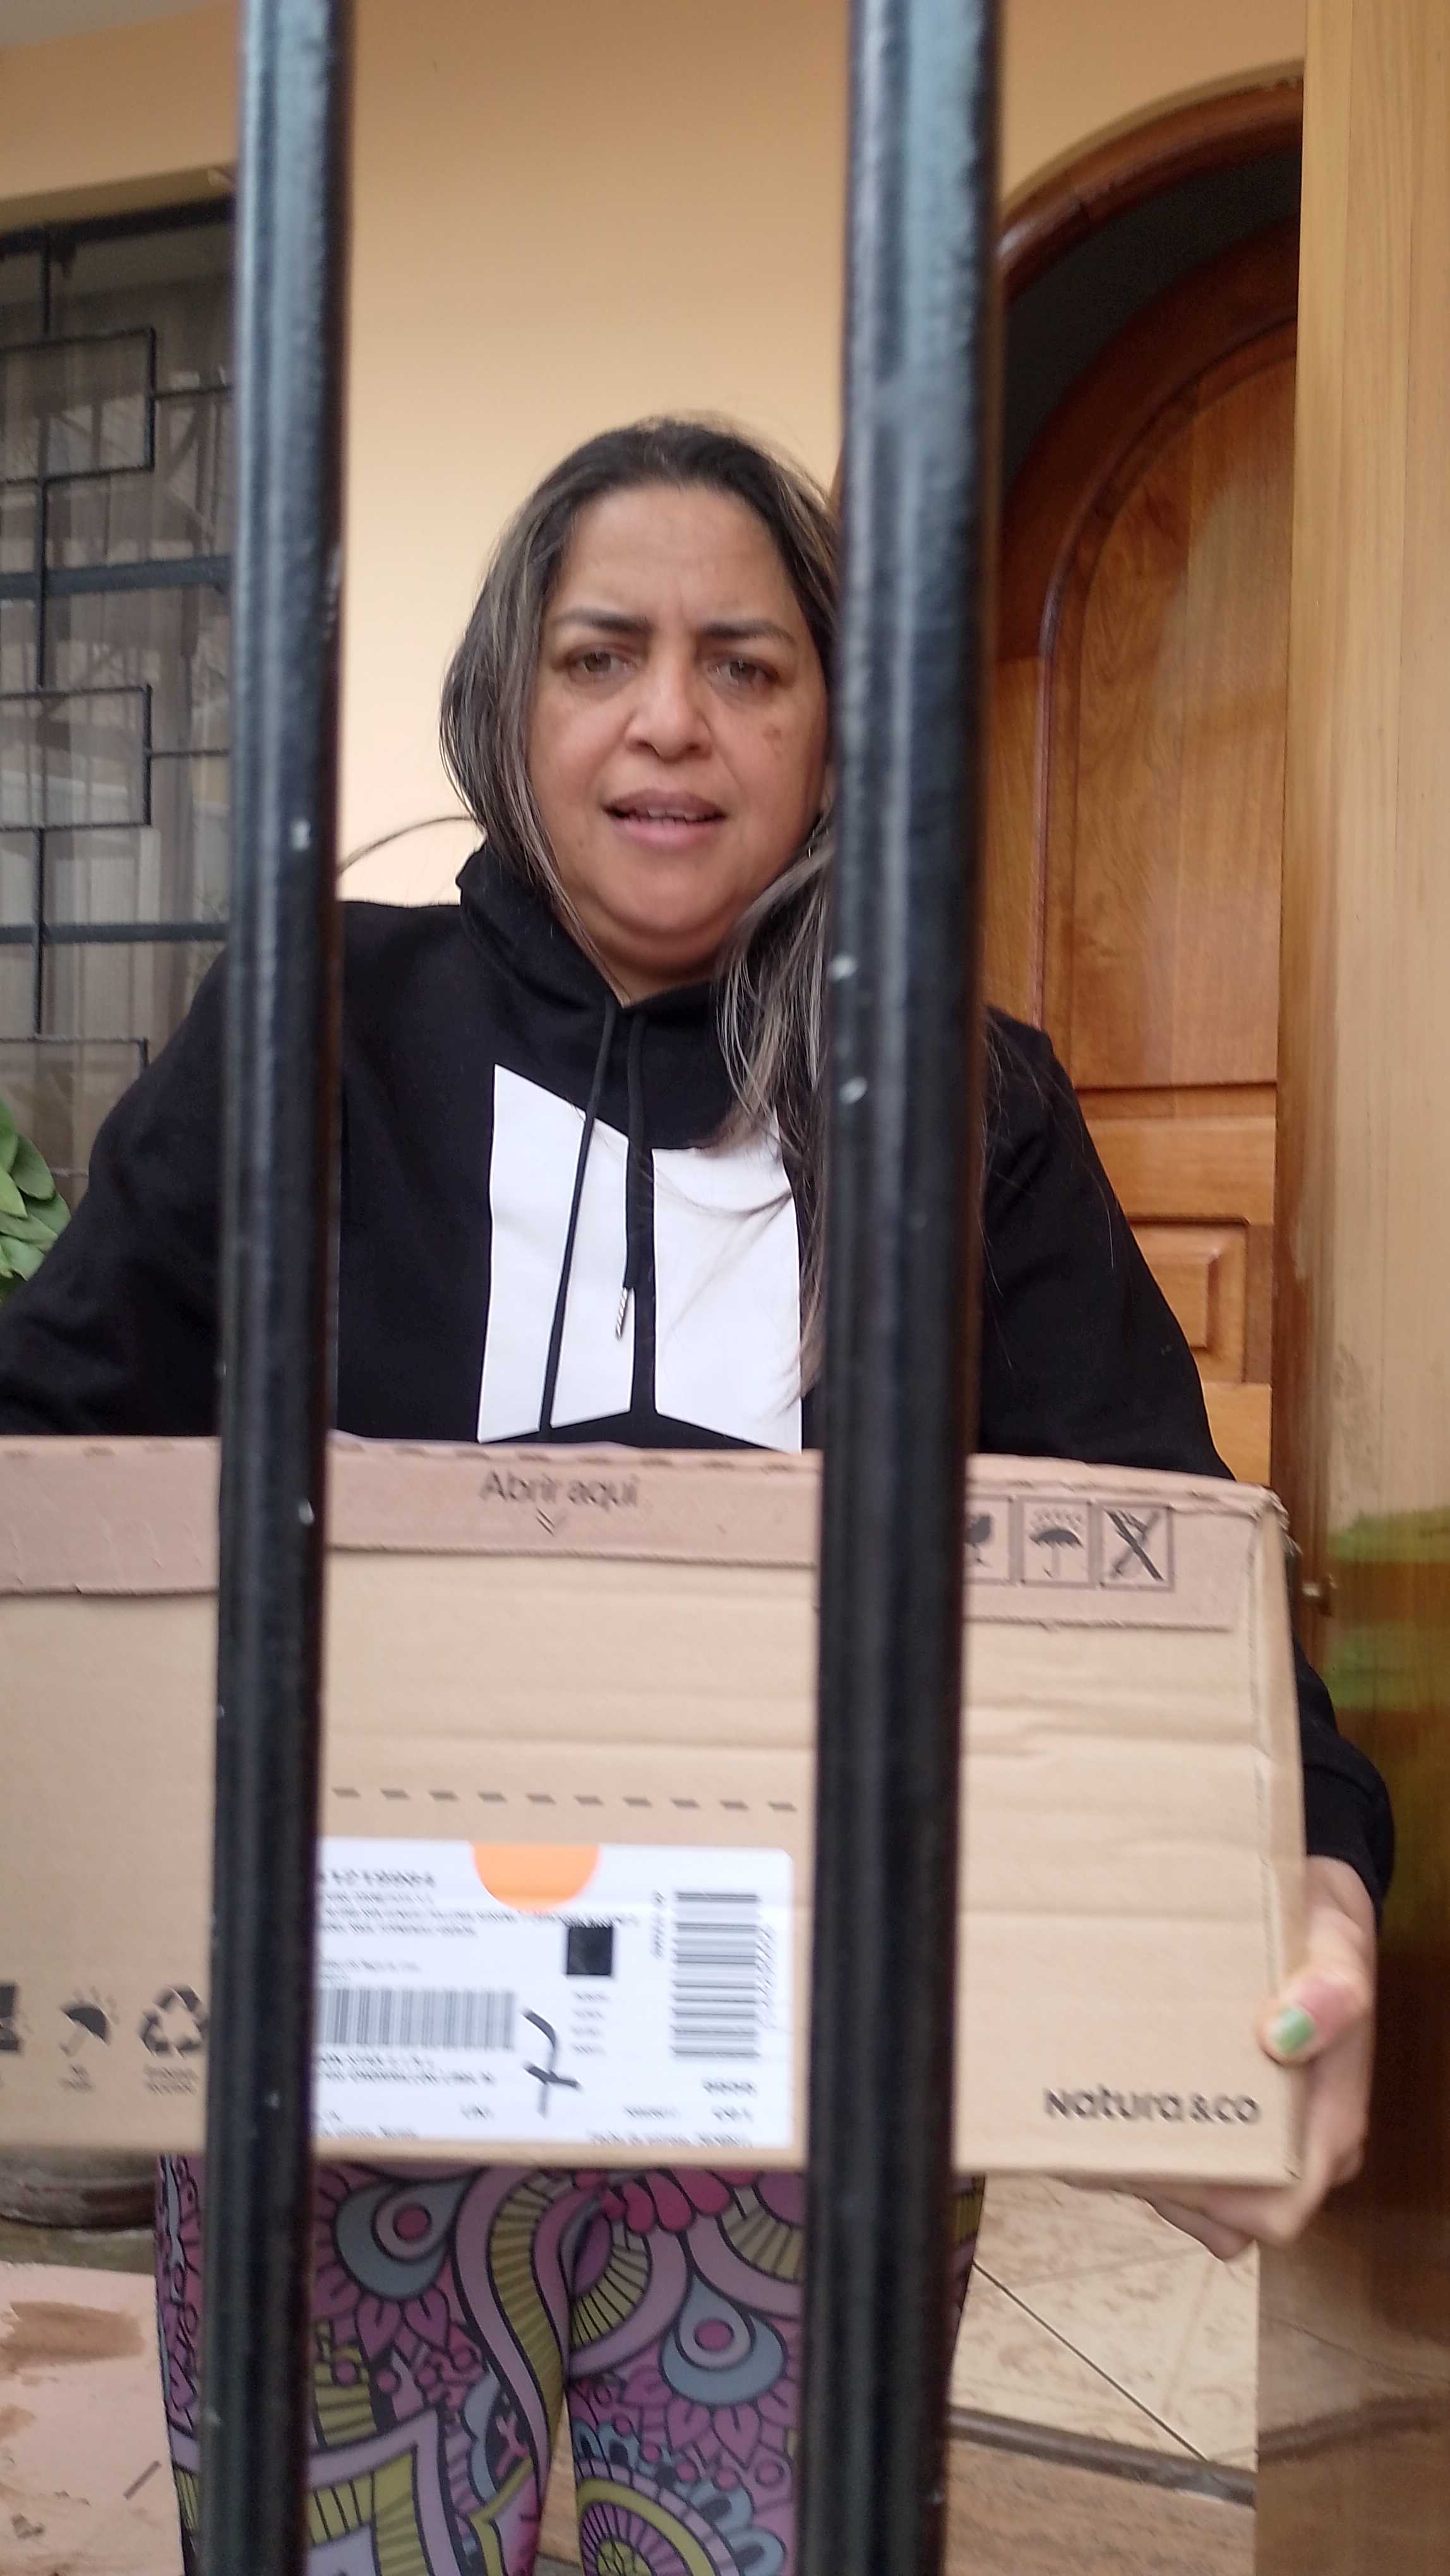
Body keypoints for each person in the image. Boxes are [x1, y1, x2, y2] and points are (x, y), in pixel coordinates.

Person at [0, 419, 1391, 2576]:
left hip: (813, 2084)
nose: (671, 719)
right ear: (510, 699)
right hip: (343, 2060)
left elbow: (1160, 1558)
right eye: (602, 656)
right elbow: (49, 1451)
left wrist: (1312, 1883)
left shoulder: (966, 1102)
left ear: (837, 728)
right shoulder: (308, 1032)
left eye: (747, 664)